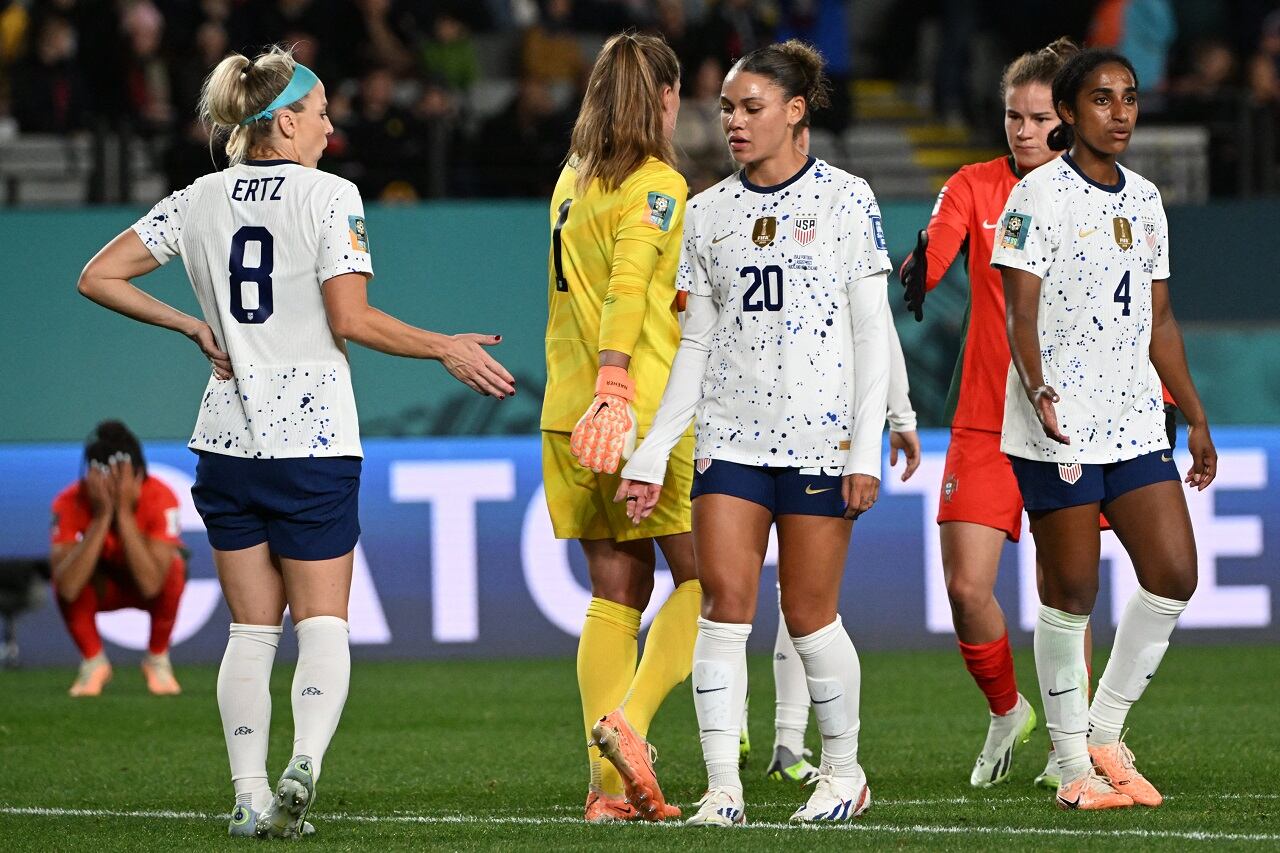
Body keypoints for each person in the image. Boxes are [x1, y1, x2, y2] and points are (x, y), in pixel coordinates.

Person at [76, 45, 513, 838]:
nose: (330, 125)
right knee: (321, 624)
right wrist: (444, 344)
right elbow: (351, 319)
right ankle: (302, 761)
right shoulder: (329, 195)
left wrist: (187, 324)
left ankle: (247, 797)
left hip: (225, 439)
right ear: (283, 122)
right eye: (319, 113)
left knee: (250, 631)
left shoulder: (199, 198)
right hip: (311, 436)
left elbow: (97, 275)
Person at [618, 40, 893, 825]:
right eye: (726, 110)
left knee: (809, 615)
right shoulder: (706, 215)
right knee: (722, 607)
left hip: (818, 442)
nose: (733, 123)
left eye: (750, 108)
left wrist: (864, 449)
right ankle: (721, 790)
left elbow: (872, 337)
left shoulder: (847, 199)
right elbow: (695, 346)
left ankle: (842, 774)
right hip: (731, 441)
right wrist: (651, 449)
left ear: (796, 111)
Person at [993, 47, 1216, 810]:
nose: (1119, 112)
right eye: (1101, 98)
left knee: (1175, 572)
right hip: (1056, 426)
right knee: (1073, 588)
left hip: (1131, 420)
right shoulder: (1036, 197)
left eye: (1128, 98)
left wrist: (1193, 412)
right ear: (1069, 110)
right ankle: (1070, 768)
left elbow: (1158, 320)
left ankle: (1103, 728)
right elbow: (1018, 314)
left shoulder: (1147, 199)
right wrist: (1039, 386)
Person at [899, 38, 1081, 790]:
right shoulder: (975, 186)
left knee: (1066, 592)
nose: (1024, 131)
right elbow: (941, 240)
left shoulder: (1101, 198)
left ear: (1066, 121)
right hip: (986, 414)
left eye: (1039, 117)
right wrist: (923, 261)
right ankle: (1009, 709)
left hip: (1071, 419)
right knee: (968, 586)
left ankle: (1074, 742)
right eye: (1013, 116)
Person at [540, 31, 698, 824]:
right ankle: (627, 726)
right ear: (665, 98)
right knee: (715, 583)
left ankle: (606, 793)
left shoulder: (570, 179)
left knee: (617, 590)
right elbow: (629, 286)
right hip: (637, 408)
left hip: (568, 416)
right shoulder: (658, 182)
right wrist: (618, 383)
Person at [50, 420, 186, 697]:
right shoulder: (69, 501)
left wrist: (123, 514)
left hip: (142, 586)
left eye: (120, 477)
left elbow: (151, 585)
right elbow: (67, 588)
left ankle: (157, 659)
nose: (111, 487)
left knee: (174, 567)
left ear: (138, 476)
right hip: (101, 588)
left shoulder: (161, 497)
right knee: (65, 571)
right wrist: (101, 518)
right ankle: (94, 661)